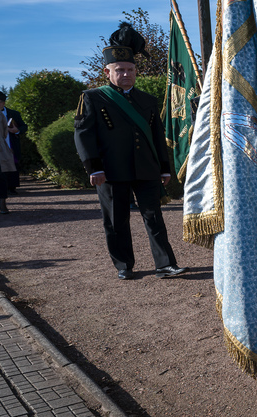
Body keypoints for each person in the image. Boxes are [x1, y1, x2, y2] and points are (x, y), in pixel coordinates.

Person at [74, 22, 187, 281]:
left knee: (154, 218)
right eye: (120, 70)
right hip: (110, 171)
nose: (126, 74)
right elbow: (83, 134)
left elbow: (157, 136)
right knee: (117, 220)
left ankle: (165, 265)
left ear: (136, 71)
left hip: (146, 169)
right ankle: (124, 265)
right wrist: (94, 167)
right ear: (107, 72)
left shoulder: (147, 100)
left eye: (130, 70)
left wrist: (164, 167)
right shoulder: (92, 97)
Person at [0, 91, 27, 193]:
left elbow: (24, 126)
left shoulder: (14, 114)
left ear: (3, 103)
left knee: (12, 165)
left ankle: (12, 187)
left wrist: (17, 130)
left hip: (10, 143)